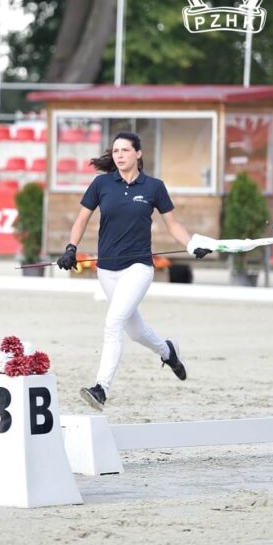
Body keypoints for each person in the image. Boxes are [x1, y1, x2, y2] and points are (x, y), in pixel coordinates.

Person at [56, 132, 212, 410]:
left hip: (138, 267)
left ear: (138, 154)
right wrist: (70, 248)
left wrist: (191, 245)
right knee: (134, 330)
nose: (119, 155)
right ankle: (168, 352)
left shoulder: (154, 187)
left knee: (113, 323)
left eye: (125, 150)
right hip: (107, 269)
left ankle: (101, 388)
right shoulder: (101, 183)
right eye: (115, 150)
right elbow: (81, 219)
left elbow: (173, 225)